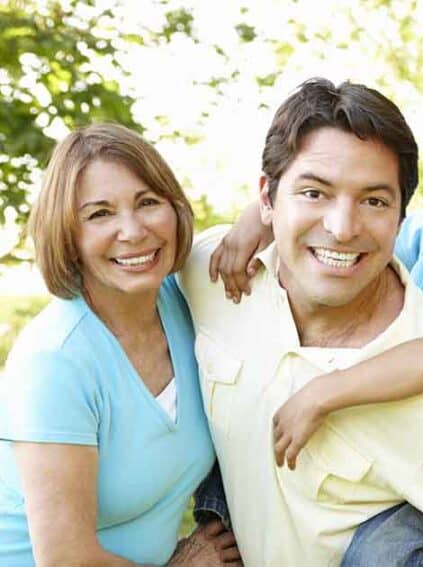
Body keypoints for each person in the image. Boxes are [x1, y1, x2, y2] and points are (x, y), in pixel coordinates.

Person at [177, 78, 423, 565]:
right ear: (266, 196)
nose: (342, 229)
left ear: (401, 216)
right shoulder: (213, 273)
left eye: (374, 201)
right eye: (315, 192)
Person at [0, 124, 237, 565]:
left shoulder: (185, 304)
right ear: (68, 235)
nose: (132, 231)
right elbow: (66, 560)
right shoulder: (55, 363)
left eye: (147, 203)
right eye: (99, 214)